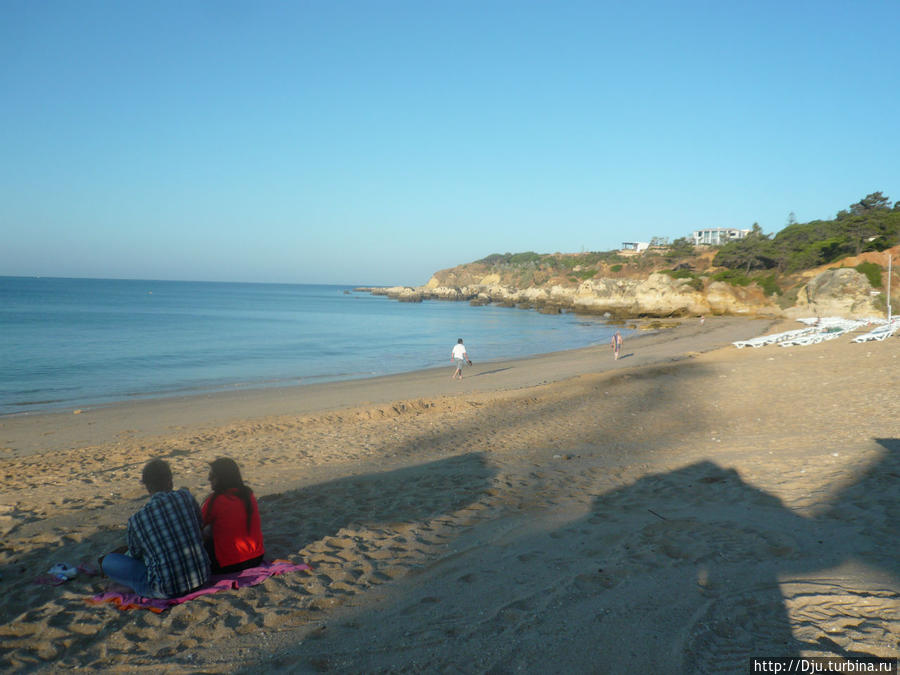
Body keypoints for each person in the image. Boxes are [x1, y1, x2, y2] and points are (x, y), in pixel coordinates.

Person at [101, 458, 210, 598]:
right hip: (202, 578)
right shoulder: (186, 497)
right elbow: (199, 525)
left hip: (166, 589)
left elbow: (135, 554)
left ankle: (130, 587)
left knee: (108, 562)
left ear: (147, 487)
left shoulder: (137, 520)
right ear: (170, 480)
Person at [201, 457, 265, 574]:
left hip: (229, 565)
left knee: (206, 534)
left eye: (212, 475)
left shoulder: (215, 500)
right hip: (257, 557)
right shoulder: (248, 495)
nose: (209, 478)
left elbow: (198, 525)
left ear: (222, 478)